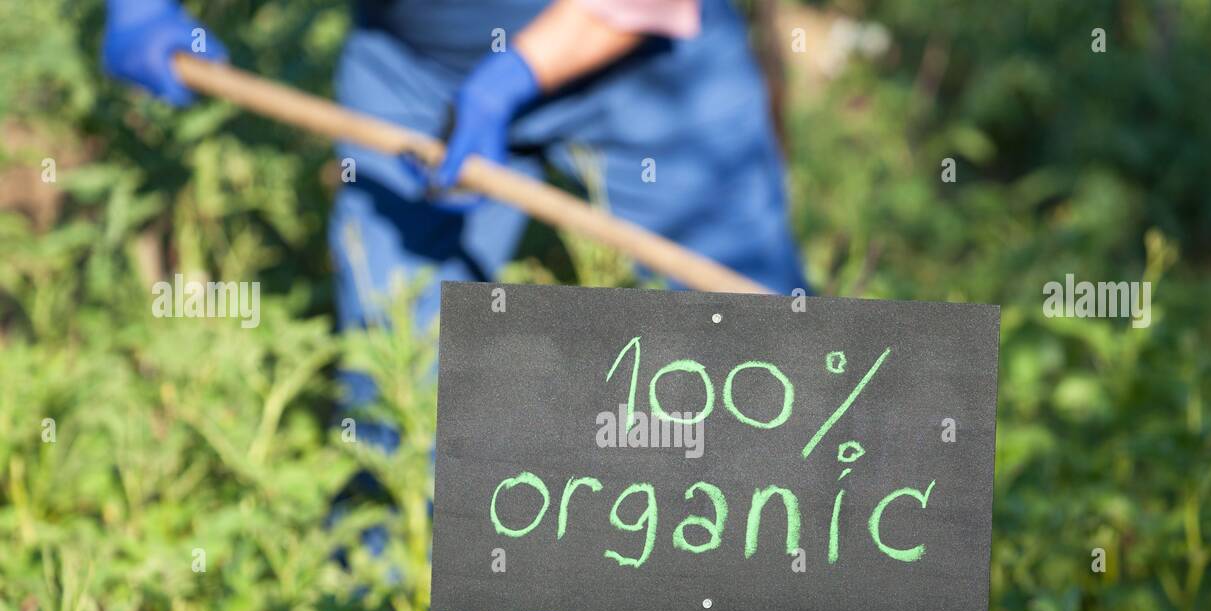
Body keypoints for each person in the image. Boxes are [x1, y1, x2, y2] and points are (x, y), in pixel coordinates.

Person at [103, 0, 806, 458]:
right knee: (399, 370)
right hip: (410, 66)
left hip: (641, 56)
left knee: (753, 354)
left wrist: (507, 80)